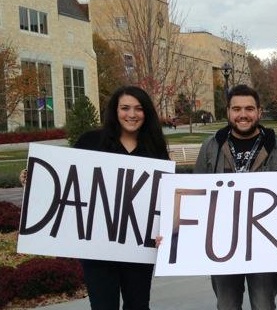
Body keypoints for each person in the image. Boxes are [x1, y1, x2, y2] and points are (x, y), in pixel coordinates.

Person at [21, 85, 169, 310]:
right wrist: (34, 179)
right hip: (98, 247)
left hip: (138, 247)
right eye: (125, 108)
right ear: (114, 111)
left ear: (146, 112)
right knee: (103, 306)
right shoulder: (91, 141)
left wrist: (164, 229)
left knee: (138, 305)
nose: (131, 114)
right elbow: (66, 179)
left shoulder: (154, 147)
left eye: (138, 109)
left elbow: (164, 195)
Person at [194, 84, 277, 310]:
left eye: (249, 109)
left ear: (259, 112)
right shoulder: (211, 147)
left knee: (263, 305)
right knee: (227, 305)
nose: (243, 115)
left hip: (265, 244)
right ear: (228, 112)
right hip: (222, 243)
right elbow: (195, 193)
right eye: (236, 109)